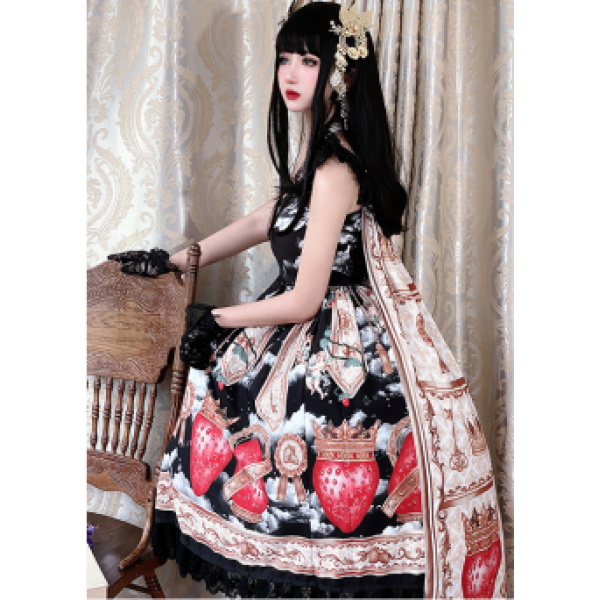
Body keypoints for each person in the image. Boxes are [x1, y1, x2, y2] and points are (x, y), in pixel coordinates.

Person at [111, 2, 507, 598]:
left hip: (336, 341)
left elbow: (303, 299)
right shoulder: (319, 152)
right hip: (309, 324)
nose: (290, 74)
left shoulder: (335, 168)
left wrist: (216, 318)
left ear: (339, 75)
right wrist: (173, 258)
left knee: (293, 459)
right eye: (284, 59)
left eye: (308, 60)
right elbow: (263, 219)